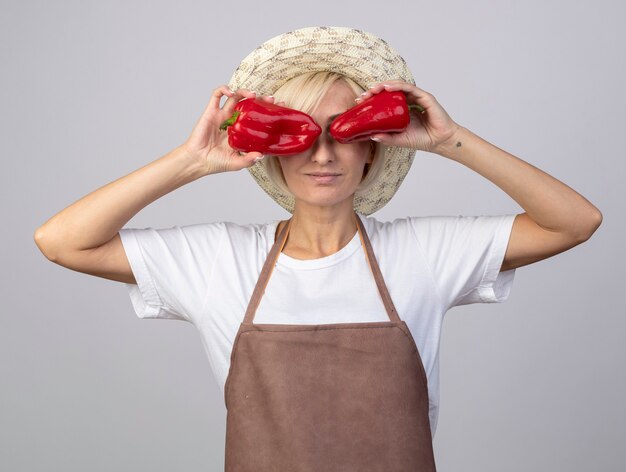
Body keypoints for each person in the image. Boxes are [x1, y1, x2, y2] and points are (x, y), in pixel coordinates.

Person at [34, 26, 602, 470]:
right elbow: (61, 241)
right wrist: (192, 159)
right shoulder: (221, 263)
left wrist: (450, 140)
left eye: (345, 131)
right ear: (271, 150)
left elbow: (574, 222)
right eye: (298, 132)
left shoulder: (424, 253)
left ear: (373, 149)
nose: (323, 154)